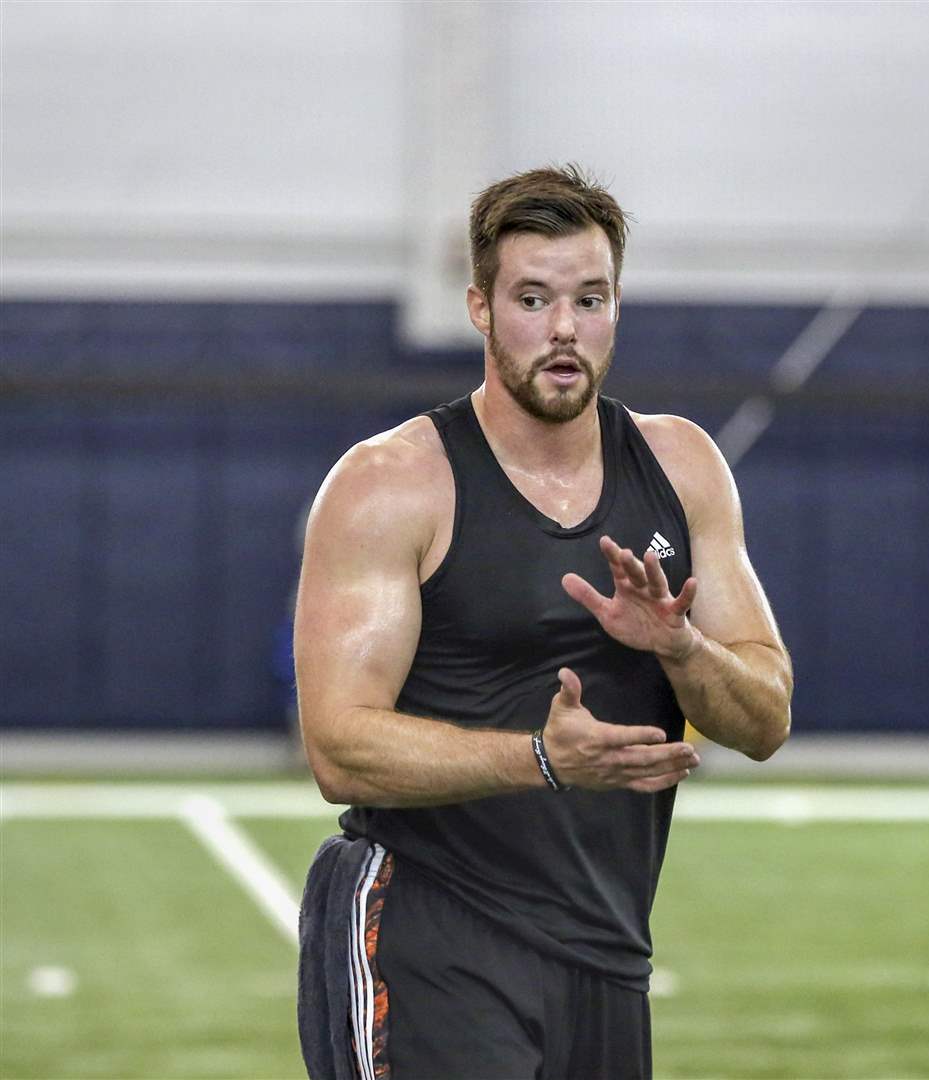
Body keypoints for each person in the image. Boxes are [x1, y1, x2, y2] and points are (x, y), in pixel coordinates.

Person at [294, 165, 793, 1080]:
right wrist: (540, 759)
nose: (565, 329)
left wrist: (682, 648)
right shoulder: (390, 483)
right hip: (429, 926)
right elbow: (337, 749)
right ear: (482, 308)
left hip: (607, 952)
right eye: (534, 298)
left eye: (590, 298)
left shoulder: (681, 467)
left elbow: (764, 721)